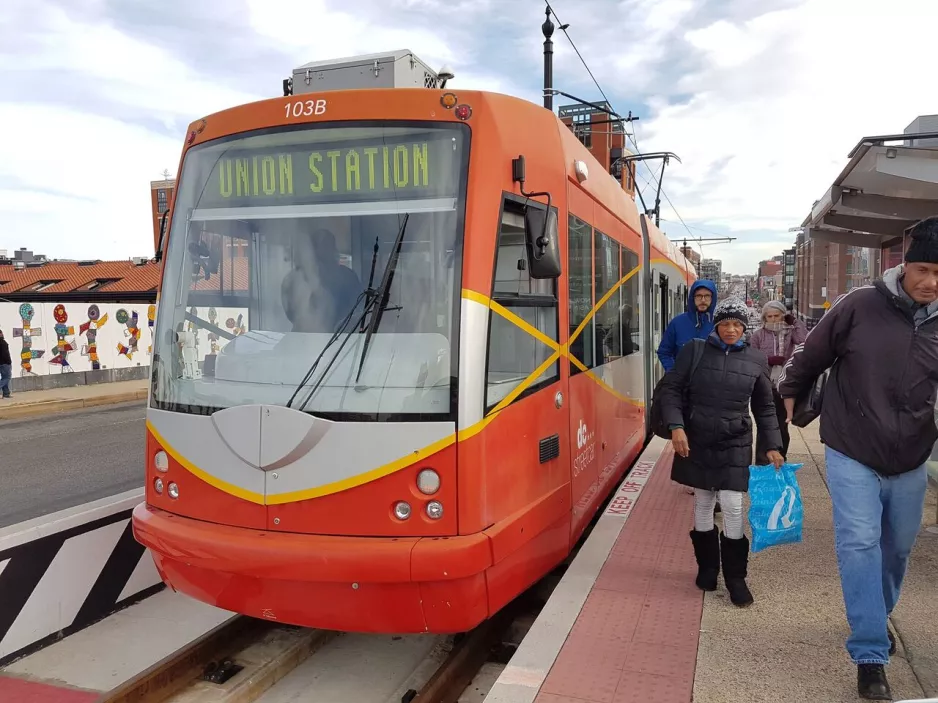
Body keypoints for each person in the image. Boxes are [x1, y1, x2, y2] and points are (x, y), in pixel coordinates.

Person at [777, 216, 938, 701]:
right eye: (925, 269)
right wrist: (784, 399)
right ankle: (870, 655)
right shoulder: (859, 306)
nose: (932, 283)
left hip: (911, 454)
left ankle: (875, 614)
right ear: (905, 264)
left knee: (898, 548)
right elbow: (809, 356)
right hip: (852, 447)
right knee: (860, 543)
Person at [656, 298, 784, 607]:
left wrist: (772, 445)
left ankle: (735, 577)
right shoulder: (694, 352)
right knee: (703, 500)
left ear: (744, 328)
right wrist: (676, 426)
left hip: (736, 440)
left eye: (737, 325)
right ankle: (707, 568)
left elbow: (765, 406)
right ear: (716, 325)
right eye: (725, 323)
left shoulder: (756, 359)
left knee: (732, 503)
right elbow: (671, 389)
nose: (731, 329)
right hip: (698, 437)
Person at [748, 300, 807, 461]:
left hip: (784, 385)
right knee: (765, 426)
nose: (773, 319)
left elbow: (804, 342)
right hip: (764, 385)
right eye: (770, 316)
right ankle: (762, 461)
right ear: (764, 318)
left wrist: (794, 322)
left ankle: (781, 457)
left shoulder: (790, 332)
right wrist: (768, 359)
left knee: (782, 425)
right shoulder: (758, 334)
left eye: (777, 316)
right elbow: (751, 357)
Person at [656, 279, 718, 372]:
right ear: (692, 298)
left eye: (707, 296)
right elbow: (664, 352)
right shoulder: (677, 323)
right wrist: (674, 373)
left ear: (713, 298)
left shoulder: (719, 324)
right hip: (682, 384)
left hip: (711, 382)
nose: (703, 300)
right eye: (699, 296)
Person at [0, 328, 11, 398]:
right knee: (7, 377)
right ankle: (6, 393)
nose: (2, 334)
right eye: (1, 333)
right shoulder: (2, 342)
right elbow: (5, 354)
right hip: (5, 363)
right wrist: (8, 361)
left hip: (1, 363)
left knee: (4, 377)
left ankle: (6, 393)